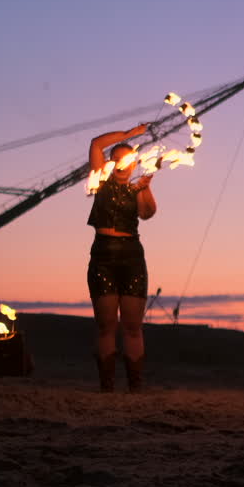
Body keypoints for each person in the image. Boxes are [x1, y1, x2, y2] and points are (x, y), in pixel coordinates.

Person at [86, 123, 158, 392]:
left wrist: (144, 188)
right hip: (103, 255)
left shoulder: (137, 186)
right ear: (110, 162)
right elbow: (96, 143)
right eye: (116, 158)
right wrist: (129, 135)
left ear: (133, 164)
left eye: (127, 159)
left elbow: (148, 214)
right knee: (106, 325)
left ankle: (135, 387)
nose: (121, 164)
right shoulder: (100, 180)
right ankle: (106, 386)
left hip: (132, 257)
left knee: (132, 326)